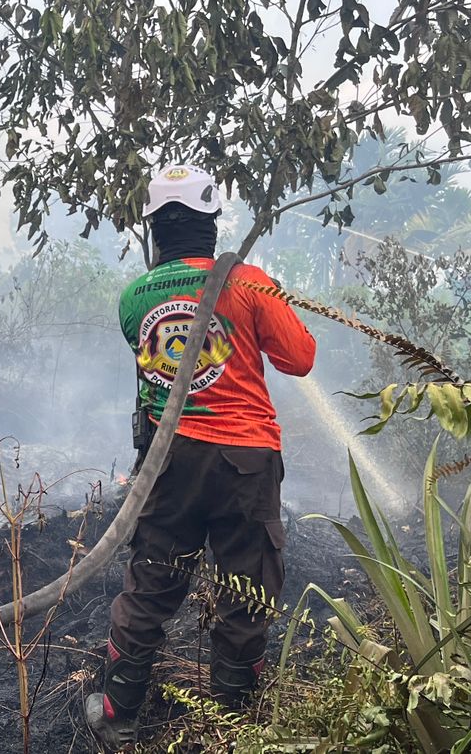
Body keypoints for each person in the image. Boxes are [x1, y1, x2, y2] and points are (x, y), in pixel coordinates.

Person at [87, 165, 316, 747]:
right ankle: (233, 726)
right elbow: (300, 358)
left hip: (170, 463)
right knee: (247, 590)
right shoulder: (246, 282)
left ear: (156, 231)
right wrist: (265, 299)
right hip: (246, 462)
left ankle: (118, 711)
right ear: (212, 225)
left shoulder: (134, 297)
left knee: (152, 582)